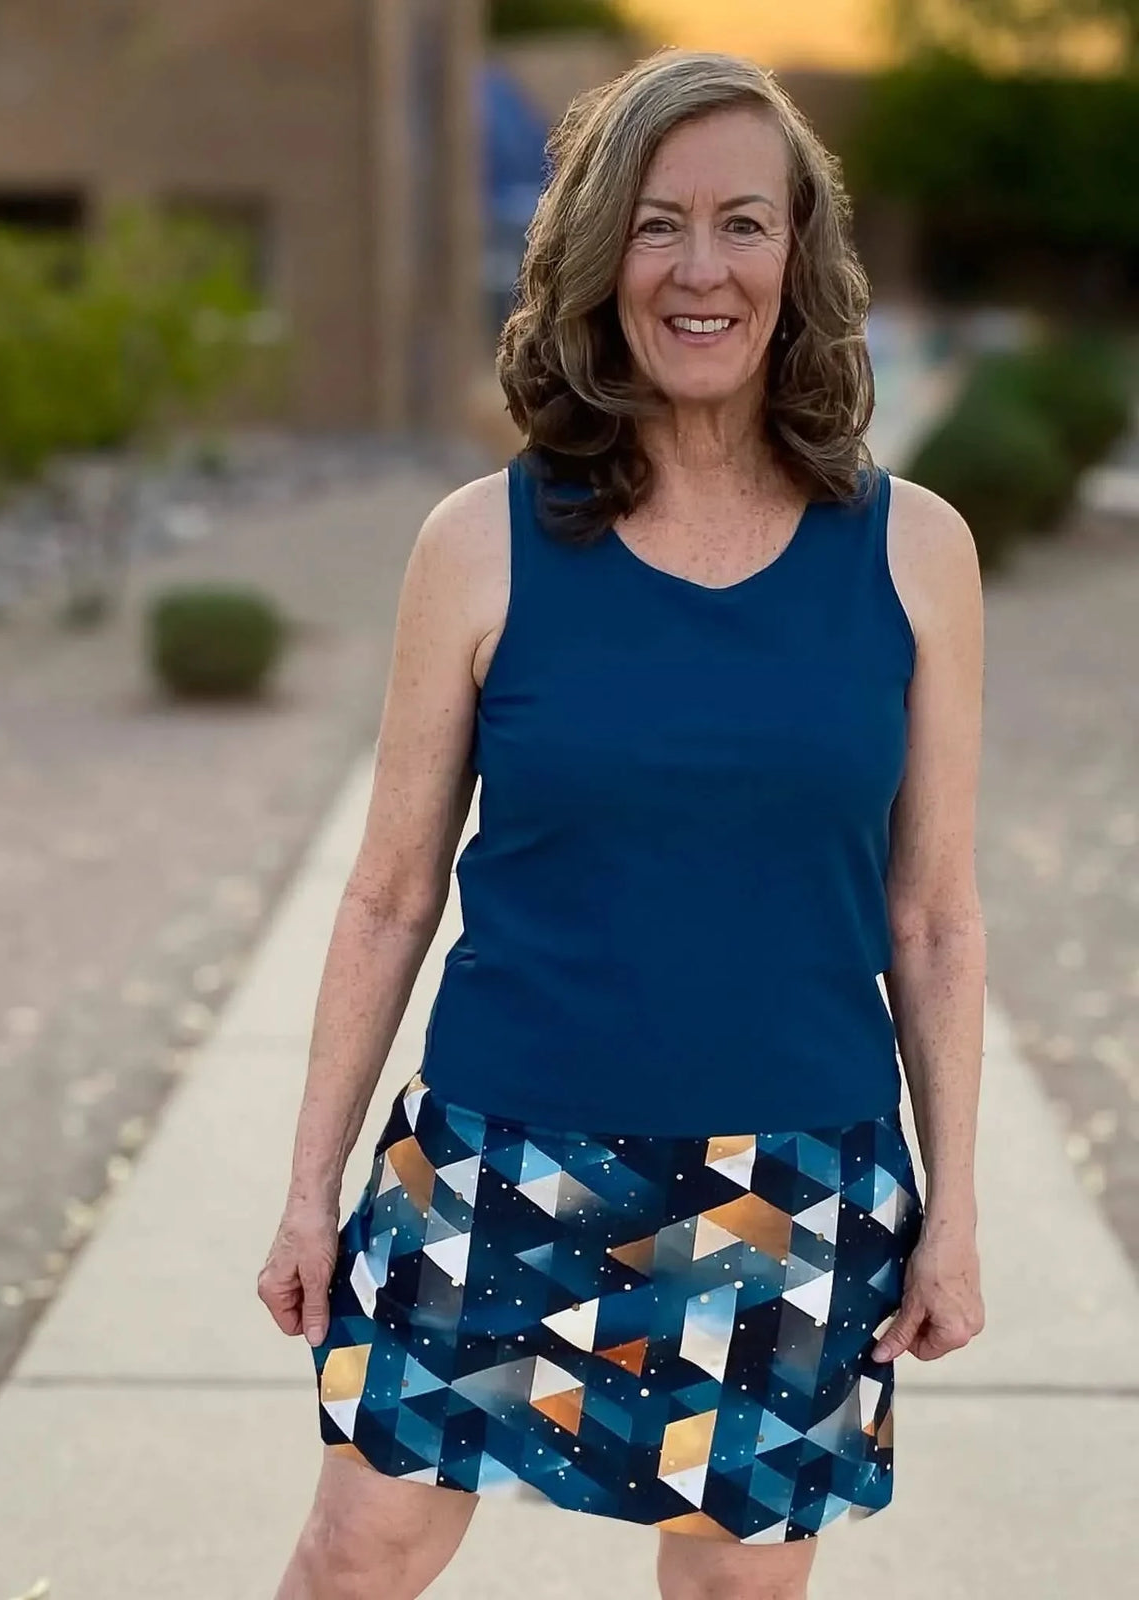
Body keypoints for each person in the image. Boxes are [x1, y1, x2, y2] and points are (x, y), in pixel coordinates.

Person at [259, 47, 986, 1600]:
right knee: (359, 1549)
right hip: (502, 1151)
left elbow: (931, 916)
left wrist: (959, 1212)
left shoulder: (917, 554)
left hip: (792, 1171)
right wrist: (312, 1188)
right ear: (600, 258)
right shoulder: (479, 544)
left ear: (800, 255)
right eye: (658, 225)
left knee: (732, 1585)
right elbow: (389, 894)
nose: (701, 268)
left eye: (743, 222)